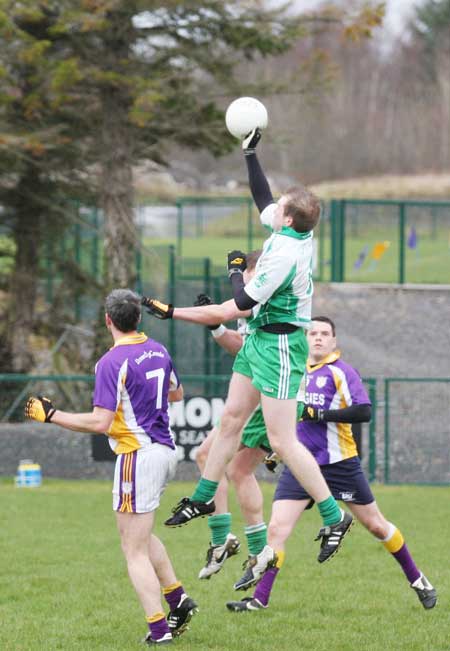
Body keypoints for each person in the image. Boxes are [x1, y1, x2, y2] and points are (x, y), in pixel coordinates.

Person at [143, 128, 353, 581]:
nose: (272, 208)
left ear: (291, 221)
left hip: (279, 346)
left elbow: (233, 306)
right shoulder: (285, 229)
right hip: (259, 341)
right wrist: (249, 152)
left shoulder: (283, 257)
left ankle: (336, 516)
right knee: (230, 420)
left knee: (281, 442)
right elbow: (262, 196)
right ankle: (202, 497)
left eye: (281, 207)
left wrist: (176, 310)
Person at [226, 316, 437, 612]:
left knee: (376, 526)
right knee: (276, 529)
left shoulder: (341, 372)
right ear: (304, 337)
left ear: (334, 341)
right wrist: (271, 451)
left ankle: (418, 580)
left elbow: (363, 411)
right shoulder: (291, 371)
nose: (318, 338)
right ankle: (259, 599)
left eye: (325, 334)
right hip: (300, 466)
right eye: (313, 333)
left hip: (339, 464)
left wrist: (320, 415)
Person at [25, 289, 198, 645]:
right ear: (138, 318)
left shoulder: (111, 362)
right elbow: (177, 394)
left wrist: (52, 415)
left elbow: (100, 422)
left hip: (137, 457)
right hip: (165, 452)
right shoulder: (159, 350)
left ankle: (159, 629)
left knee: (131, 549)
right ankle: (178, 600)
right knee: (142, 537)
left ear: (108, 320)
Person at [191, 252, 274, 586]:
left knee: (210, 457)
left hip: (266, 396)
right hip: (266, 394)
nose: (247, 279)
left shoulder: (265, 295)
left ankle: (223, 537)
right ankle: (255, 550)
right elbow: (243, 346)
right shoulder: (256, 302)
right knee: (239, 470)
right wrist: (216, 326)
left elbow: (254, 348)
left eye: (250, 272)